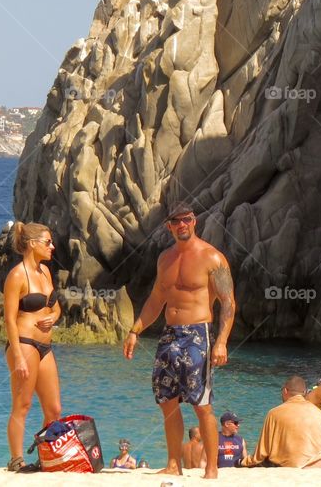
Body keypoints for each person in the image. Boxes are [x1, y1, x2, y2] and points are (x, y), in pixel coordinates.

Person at [123, 202, 236, 480]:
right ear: (169, 226)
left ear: (194, 221)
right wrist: (135, 329)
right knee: (167, 400)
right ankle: (174, 463)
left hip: (198, 335)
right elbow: (156, 299)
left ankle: (211, 468)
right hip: (169, 336)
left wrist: (221, 341)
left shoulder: (213, 258)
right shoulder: (165, 259)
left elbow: (228, 303)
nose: (181, 224)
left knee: (202, 403)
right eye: (176, 221)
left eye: (186, 219)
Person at [4, 221, 62, 473]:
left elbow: (54, 305)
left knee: (54, 409)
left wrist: (55, 317)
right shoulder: (17, 275)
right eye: (47, 242)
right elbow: (8, 319)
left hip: (46, 346)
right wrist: (17, 356)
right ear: (32, 244)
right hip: (24, 344)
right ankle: (16, 459)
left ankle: (46, 456)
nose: (53, 246)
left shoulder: (45, 272)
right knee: (23, 404)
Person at [241, 376, 321, 468]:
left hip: (297, 466)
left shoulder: (274, 413)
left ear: (285, 391)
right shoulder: (318, 413)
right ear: (304, 392)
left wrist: (243, 462)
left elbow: (261, 453)